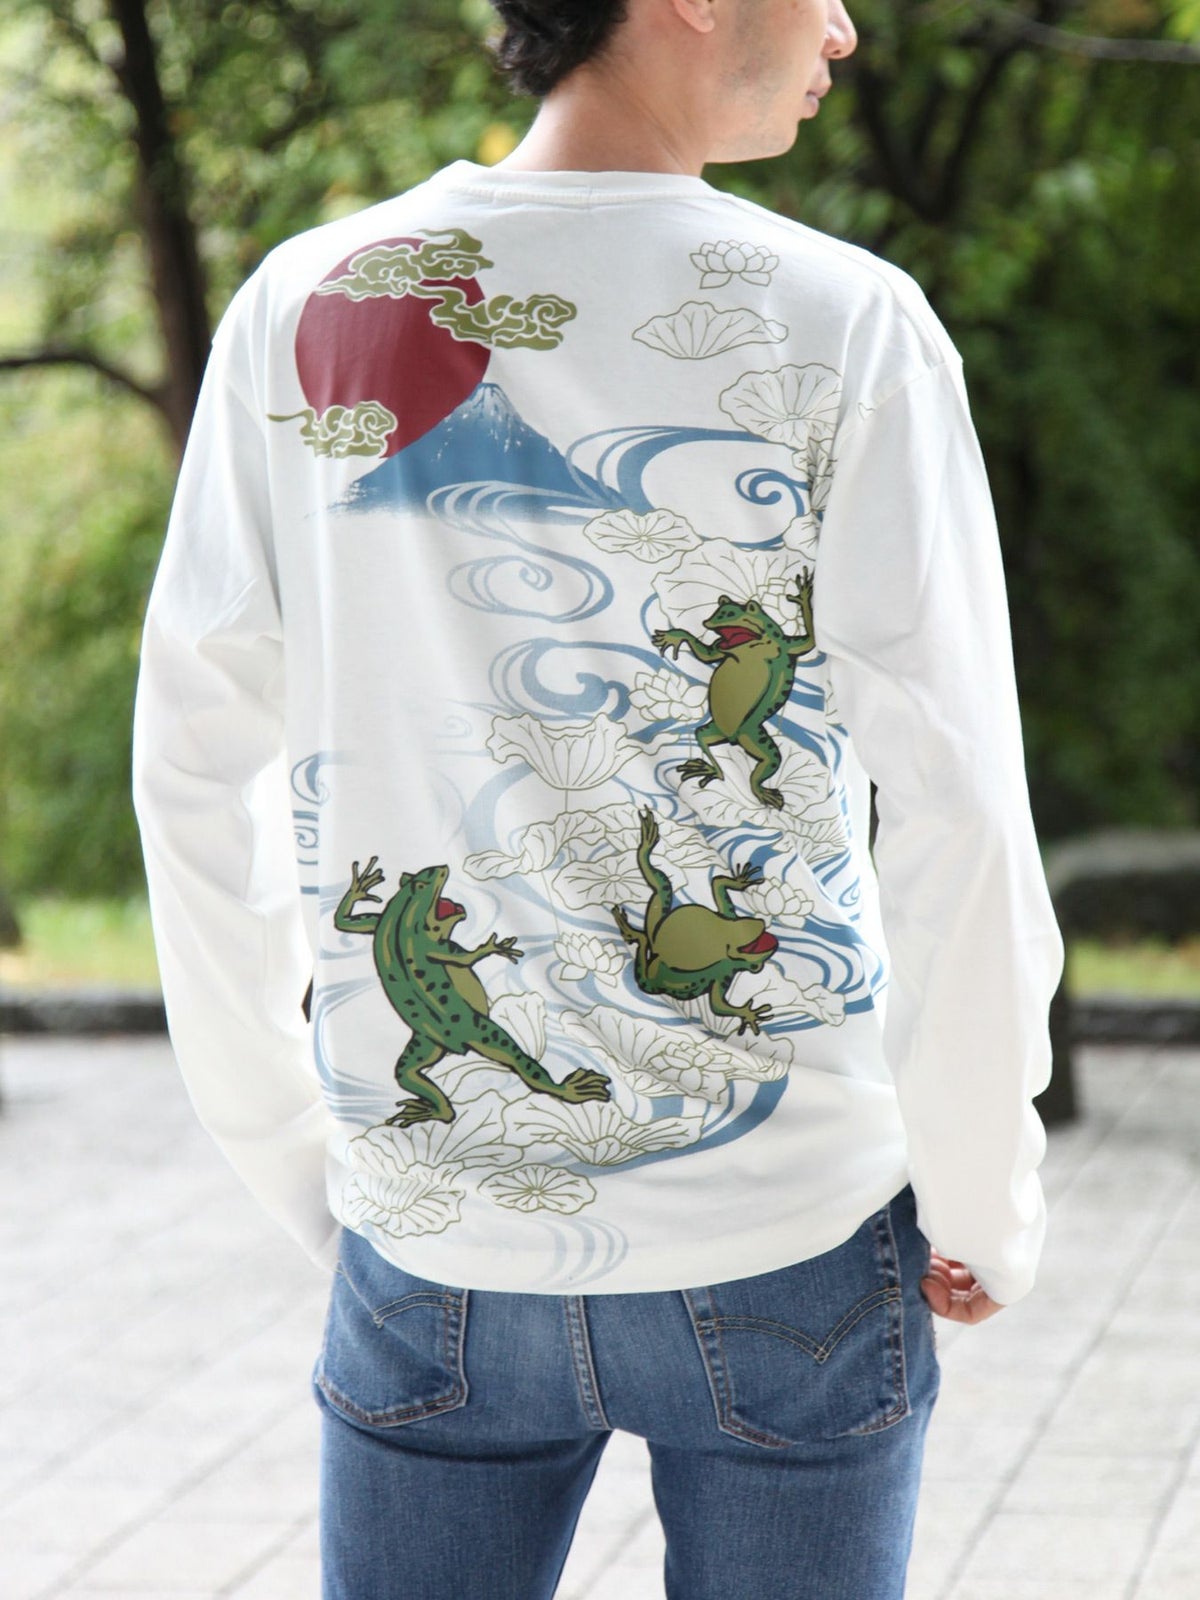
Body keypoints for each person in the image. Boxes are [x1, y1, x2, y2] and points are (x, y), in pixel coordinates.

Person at [132, 1, 1063, 1595]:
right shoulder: (844, 322)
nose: (845, 27)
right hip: (790, 1234)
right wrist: (987, 1191)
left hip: (431, 1244)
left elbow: (193, 762)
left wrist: (297, 1154)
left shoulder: (310, 300)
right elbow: (955, 798)